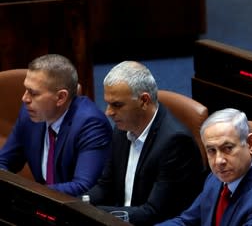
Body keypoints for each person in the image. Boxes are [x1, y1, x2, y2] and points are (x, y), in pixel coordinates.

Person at [84, 61, 204, 226]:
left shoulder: (175, 143)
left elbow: (153, 212)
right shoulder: (122, 129)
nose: (109, 112)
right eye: (107, 103)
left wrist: (93, 213)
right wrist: (80, 203)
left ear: (144, 101)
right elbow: (106, 186)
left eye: (117, 105)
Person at [0, 54, 112, 196]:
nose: (25, 98)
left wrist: (29, 193)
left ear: (60, 97)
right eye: (26, 89)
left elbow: (83, 187)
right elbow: (4, 162)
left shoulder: (91, 124)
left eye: (33, 93)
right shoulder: (30, 113)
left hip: (77, 211)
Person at [156, 108, 252, 226]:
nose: (219, 161)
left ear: (250, 144)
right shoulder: (219, 175)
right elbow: (187, 221)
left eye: (228, 148)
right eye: (211, 150)